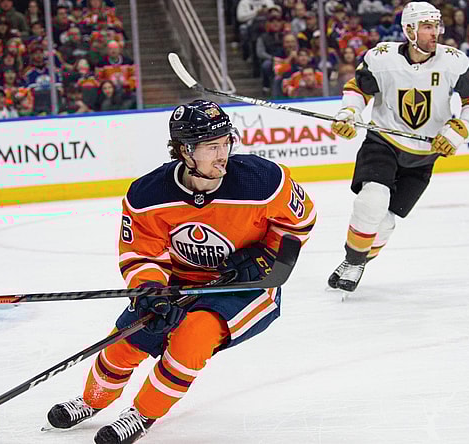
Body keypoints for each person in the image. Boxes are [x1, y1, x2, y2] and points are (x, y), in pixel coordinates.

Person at [44, 100, 316, 444]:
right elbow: (141, 254)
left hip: (247, 288)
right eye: (211, 147)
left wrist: (261, 258)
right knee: (127, 337)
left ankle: (142, 414)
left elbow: (300, 221)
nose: (223, 155)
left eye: (225, 143)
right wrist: (150, 291)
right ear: (185, 151)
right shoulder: (147, 194)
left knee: (193, 335)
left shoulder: (263, 181)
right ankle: (91, 400)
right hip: (181, 282)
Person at [327, 2, 469, 293]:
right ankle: (353, 261)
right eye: (427, 26)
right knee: (372, 200)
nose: (435, 32)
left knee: (386, 222)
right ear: (409, 29)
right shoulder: (381, 57)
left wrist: (456, 131)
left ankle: (356, 260)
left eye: (436, 26)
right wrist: (349, 113)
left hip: (423, 157)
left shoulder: (454, 61)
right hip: (383, 142)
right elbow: (358, 89)